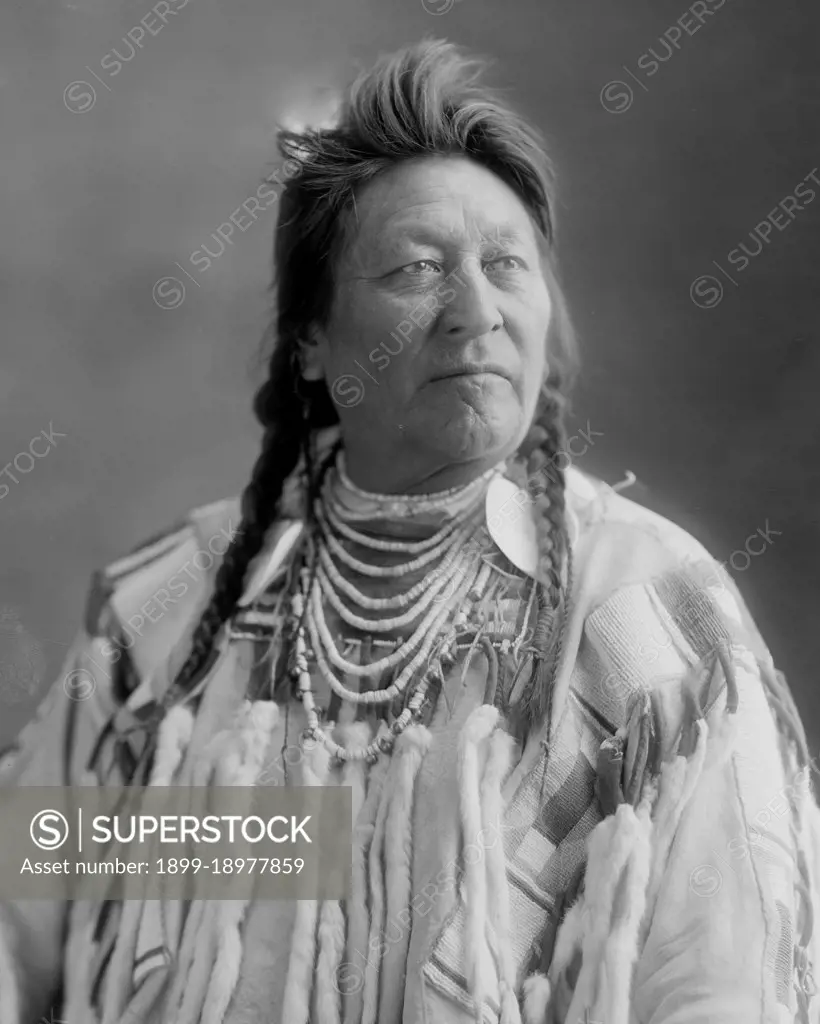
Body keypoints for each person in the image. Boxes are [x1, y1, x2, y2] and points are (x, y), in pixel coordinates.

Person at [1, 36, 819, 1024]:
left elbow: (724, 989)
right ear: (310, 341)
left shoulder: (645, 616)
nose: (475, 312)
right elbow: (19, 916)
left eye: (506, 264)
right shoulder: (170, 614)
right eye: (417, 269)